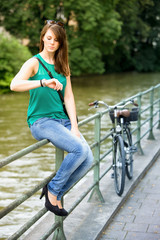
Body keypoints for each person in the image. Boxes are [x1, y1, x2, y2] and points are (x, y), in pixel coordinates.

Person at [10, 20, 93, 216]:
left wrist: (74, 126)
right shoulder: (34, 63)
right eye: (48, 38)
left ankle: (54, 191)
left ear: (61, 43)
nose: (51, 43)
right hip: (41, 121)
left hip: (63, 120)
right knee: (78, 149)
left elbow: (69, 96)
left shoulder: (63, 64)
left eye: (56, 40)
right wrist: (42, 82)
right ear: (43, 38)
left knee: (88, 159)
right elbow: (14, 85)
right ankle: (54, 191)